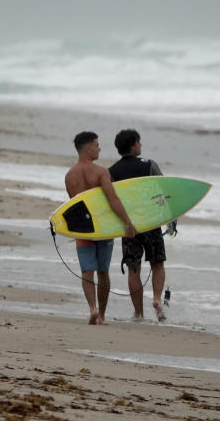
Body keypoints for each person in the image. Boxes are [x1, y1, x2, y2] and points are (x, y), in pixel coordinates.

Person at [64, 131, 137, 325]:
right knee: (103, 271)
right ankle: (102, 315)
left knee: (87, 271)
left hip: (84, 229)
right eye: (96, 145)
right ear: (88, 148)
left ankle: (92, 308)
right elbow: (112, 199)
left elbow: (75, 206)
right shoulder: (101, 172)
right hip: (103, 227)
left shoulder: (70, 176)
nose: (99, 148)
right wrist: (127, 221)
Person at [109, 129, 169, 322]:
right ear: (133, 145)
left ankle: (138, 313)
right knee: (157, 263)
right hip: (150, 221)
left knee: (133, 268)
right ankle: (157, 299)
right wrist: (170, 217)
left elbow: (110, 200)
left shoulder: (112, 171)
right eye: (139, 142)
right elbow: (165, 191)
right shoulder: (149, 165)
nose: (141, 145)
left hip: (128, 226)